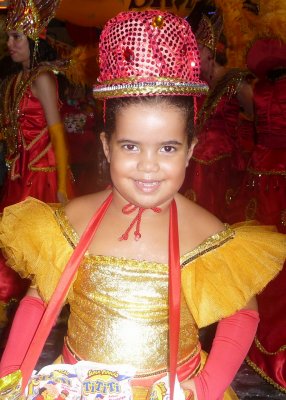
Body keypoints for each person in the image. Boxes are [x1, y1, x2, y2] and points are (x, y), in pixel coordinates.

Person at [0, 10, 285, 400]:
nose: (148, 166)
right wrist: (10, 374)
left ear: (190, 152)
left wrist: (204, 388)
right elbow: (37, 301)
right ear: (106, 147)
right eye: (130, 146)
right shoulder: (74, 220)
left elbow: (243, 314)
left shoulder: (203, 230)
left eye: (167, 148)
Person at [0, 0, 73, 332]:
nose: (10, 43)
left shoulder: (43, 78)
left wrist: (61, 183)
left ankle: (42, 314)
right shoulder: (18, 79)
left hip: (41, 176)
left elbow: (57, 132)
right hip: (21, 171)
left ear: (34, 40)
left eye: (17, 36)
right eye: (8, 36)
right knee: (13, 243)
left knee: (37, 247)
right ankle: (16, 308)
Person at [228, 37, 286, 392]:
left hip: (260, 175)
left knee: (262, 258)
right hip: (276, 179)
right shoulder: (256, 88)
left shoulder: (255, 89)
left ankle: (257, 337)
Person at [180, 14, 254, 222]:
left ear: (209, 52)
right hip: (195, 161)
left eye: (197, 51)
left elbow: (255, 115)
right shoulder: (197, 85)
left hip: (223, 163)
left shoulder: (235, 81)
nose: (192, 57)